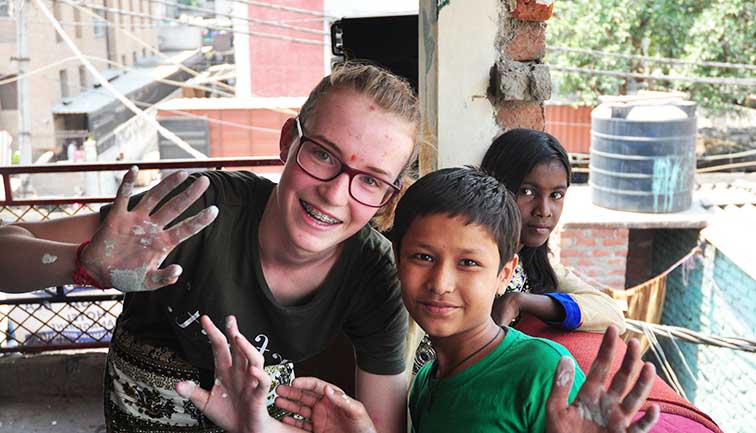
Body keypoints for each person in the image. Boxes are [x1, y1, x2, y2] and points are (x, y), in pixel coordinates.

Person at [0, 63, 419, 433]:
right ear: (289, 139)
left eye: (370, 180)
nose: (334, 194)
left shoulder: (374, 275)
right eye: (323, 155)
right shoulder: (197, 210)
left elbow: (380, 426)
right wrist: (81, 264)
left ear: (390, 195)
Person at [180, 168, 660, 433]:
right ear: (397, 258)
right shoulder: (426, 382)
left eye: (469, 264)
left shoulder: (540, 371)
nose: (440, 283)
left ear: (505, 274)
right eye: (423, 257)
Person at [481, 128, 626, 333]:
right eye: (527, 192)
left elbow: (614, 316)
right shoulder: (471, 259)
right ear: (495, 187)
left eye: (556, 195)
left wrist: (519, 301)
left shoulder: (533, 265)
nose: (544, 210)